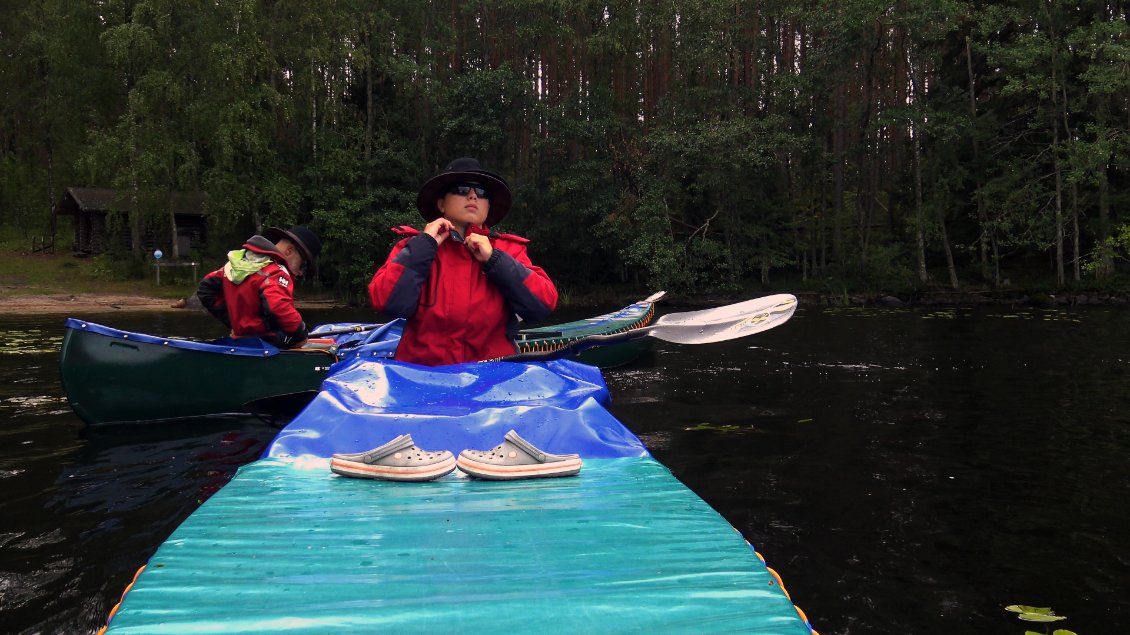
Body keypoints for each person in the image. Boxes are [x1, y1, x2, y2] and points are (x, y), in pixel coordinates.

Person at [368, 157, 558, 366]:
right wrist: (425, 245)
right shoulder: (414, 247)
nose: (473, 195)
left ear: (487, 206)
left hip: (494, 379)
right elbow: (385, 300)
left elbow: (543, 304)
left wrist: (494, 260)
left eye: (482, 192)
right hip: (422, 377)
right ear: (441, 204)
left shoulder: (508, 250)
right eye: (461, 188)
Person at [197, 225, 321, 349]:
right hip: (266, 344)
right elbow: (278, 307)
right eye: (302, 265)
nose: (300, 273)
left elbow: (205, 289)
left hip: (242, 342)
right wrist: (300, 334)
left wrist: (238, 325)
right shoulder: (277, 272)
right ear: (289, 250)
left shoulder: (238, 264)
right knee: (296, 337)